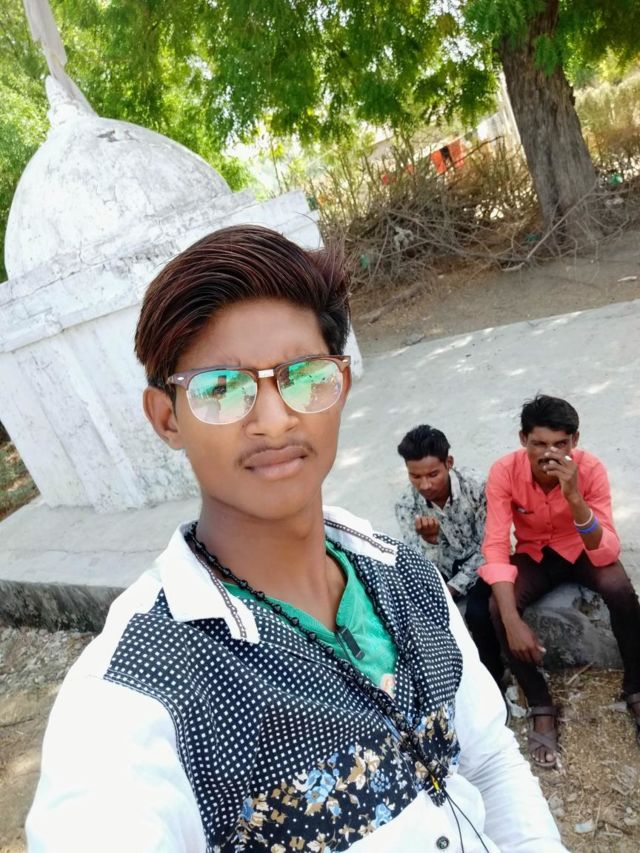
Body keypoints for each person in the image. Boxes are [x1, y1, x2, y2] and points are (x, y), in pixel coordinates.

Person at [27, 227, 566, 852]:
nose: (275, 419)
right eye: (221, 388)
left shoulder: (407, 575)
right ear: (167, 418)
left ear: (341, 384)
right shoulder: (142, 687)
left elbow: (489, 760)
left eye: (303, 376)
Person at [479, 394, 640, 769]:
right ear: (523, 439)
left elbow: (605, 550)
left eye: (560, 444)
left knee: (620, 589)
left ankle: (636, 687)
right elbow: (496, 544)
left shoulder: (591, 468)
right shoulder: (504, 471)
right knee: (498, 606)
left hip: (582, 548)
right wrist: (512, 620)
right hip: (535, 553)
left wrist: (574, 496)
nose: (549, 454)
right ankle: (541, 704)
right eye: (539, 443)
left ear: (574, 441)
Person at [395, 425, 504, 688]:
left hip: (482, 562)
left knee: (478, 614)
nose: (425, 485)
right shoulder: (407, 504)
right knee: (416, 616)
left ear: (449, 463)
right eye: (415, 476)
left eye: (433, 474)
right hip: (442, 566)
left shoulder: (477, 486)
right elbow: (418, 563)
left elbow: (490, 546)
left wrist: (453, 588)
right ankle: (448, 684)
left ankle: (494, 681)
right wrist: (430, 542)